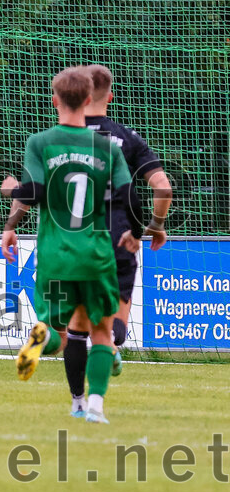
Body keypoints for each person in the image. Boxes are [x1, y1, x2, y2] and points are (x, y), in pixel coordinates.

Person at [0, 66, 140, 424]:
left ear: (55, 100)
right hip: (95, 253)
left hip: (55, 254)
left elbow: (33, 192)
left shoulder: (41, 143)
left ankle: (40, 337)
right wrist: (136, 232)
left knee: (58, 327)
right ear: (89, 100)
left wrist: (11, 214)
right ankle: (93, 407)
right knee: (101, 331)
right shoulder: (107, 147)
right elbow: (130, 196)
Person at [60, 64, 173, 416]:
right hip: (120, 237)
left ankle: (79, 403)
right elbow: (163, 187)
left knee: (77, 328)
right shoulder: (129, 138)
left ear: (81, 95)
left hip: (76, 241)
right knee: (112, 330)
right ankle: (107, 359)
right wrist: (154, 225)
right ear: (109, 96)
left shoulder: (62, 137)